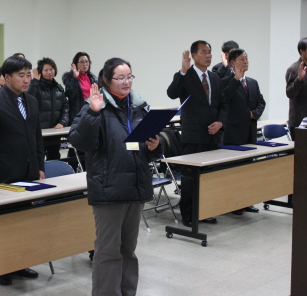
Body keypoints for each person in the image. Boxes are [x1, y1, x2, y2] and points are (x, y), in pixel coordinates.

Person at [69, 57, 161, 296]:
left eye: (129, 76)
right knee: (108, 253)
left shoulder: (140, 106)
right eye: (120, 78)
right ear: (107, 81)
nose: (126, 82)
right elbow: (79, 142)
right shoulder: (95, 106)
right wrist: (93, 112)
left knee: (128, 251)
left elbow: (151, 151)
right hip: (109, 189)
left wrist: (155, 146)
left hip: (136, 187)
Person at [0, 56, 44, 286]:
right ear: (6, 78)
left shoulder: (32, 101)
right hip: (4, 172)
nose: (26, 80)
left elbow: (37, 137)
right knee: (3, 223)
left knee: (23, 221)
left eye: (28, 75)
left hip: (28, 172)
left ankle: (20, 263)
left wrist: (40, 166)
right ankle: (1, 267)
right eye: (21, 76)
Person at [167, 41, 224, 227]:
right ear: (193, 55)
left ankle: (205, 211)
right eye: (204, 52)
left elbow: (221, 105)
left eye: (210, 52)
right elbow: (172, 93)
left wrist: (220, 123)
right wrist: (183, 70)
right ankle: (189, 215)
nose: (208, 56)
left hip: (212, 134)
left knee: (208, 176)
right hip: (192, 135)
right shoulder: (186, 75)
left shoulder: (214, 78)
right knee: (190, 179)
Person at [27, 57, 69, 160]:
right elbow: (29, 100)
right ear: (40, 71)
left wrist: (62, 122)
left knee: (54, 156)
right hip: (39, 131)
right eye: (46, 70)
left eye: (51, 69)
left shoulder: (59, 88)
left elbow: (65, 107)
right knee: (38, 157)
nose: (49, 72)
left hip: (55, 130)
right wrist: (34, 82)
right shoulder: (35, 86)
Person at [222, 49, 266, 145]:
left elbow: (261, 102)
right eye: (242, 59)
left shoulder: (253, 82)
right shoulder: (224, 82)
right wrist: (236, 79)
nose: (245, 61)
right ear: (233, 63)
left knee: (252, 159)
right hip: (233, 132)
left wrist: (254, 114)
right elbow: (224, 99)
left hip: (251, 129)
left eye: (246, 59)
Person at [62, 52, 98, 170]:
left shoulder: (93, 78)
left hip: (91, 113)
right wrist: (75, 78)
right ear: (75, 64)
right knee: (77, 144)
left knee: (85, 145)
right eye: (81, 61)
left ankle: (83, 170)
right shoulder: (69, 77)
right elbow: (70, 95)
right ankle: (73, 169)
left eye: (87, 61)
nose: (85, 64)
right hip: (77, 115)